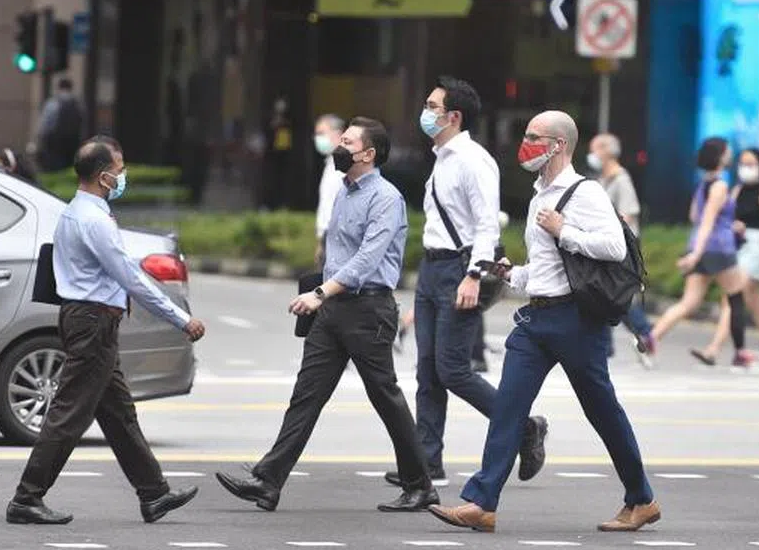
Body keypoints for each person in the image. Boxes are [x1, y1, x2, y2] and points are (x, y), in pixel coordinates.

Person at [428, 110, 658, 533]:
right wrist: (509, 273)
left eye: (536, 137)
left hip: (575, 321)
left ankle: (641, 498)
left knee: (602, 410)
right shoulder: (539, 195)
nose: (527, 143)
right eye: (527, 134)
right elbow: (546, 268)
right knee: (509, 407)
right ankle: (482, 503)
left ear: (560, 146)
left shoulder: (583, 193)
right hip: (537, 318)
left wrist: (563, 228)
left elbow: (613, 247)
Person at [215, 118, 439, 513]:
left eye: (347, 142)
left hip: (368, 309)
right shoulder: (343, 191)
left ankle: (421, 485)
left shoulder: (385, 198)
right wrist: (323, 290)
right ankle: (268, 482)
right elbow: (336, 252)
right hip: (334, 309)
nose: (338, 146)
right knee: (307, 395)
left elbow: (368, 259)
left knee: (385, 396)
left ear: (367, 154)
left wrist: (320, 293)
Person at [6, 137, 206, 525]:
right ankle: (26, 498)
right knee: (68, 414)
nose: (123, 173)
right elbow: (131, 278)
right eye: (120, 167)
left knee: (118, 413)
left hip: (90, 321)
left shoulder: (75, 212)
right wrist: (181, 318)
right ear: (103, 177)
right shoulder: (94, 220)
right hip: (92, 322)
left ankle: (154, 493)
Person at [387, 76, 547, 488]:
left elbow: (485, 225)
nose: (425, 112)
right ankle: (427, 461)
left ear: (453, 116)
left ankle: (525, 427)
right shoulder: (442, 157)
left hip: (460, 271)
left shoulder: (474, 160)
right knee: (427, 369)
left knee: (453, 369)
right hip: (432, 268)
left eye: (431, 106)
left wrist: (474, 275)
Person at [640, 138, 750, 368]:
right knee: (735, 297)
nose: (731, 154)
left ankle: (650, 339)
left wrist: (696, 250)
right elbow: (708, 221)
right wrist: (697, 254)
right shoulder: (720, 186)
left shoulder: (703, 184)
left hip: (699, 244)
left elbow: (694, 217)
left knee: (688, 302)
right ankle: (739, 352)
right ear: (720, 156)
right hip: (719, 248)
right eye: (727, 151)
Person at [694, 149, 759, 364]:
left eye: (751, 163)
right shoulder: (736, 190)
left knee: (733, 297)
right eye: (743, 163)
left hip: (757, 248)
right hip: (738, 244)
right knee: (755, 302)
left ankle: (714, 349)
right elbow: (727, 218)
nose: (746, 168)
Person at [587, 132, 654, 368]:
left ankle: (645, 331)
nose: (592, 154)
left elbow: (628, 215)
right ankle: (606, 346)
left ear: (606, 151)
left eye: (595, 149)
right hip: (605, 244)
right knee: (604, 295)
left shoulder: (620, 179)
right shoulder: (602, 179)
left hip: (621, 247)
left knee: (615, 296)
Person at [313, 113, 346, 268]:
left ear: (338, 134)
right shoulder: (330, 164)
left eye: (321, 133)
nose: (317, 139)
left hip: (339, 238)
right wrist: (320, 240)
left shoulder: (345, 167)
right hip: (328, 236)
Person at [34, 78, 86, 173]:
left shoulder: (53, 103)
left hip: (55, 143)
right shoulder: (78, 104)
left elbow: (45, 125)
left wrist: (39, 141)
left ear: (59, 88)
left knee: (54, 169)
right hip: (73, 142)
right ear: (71, 88)